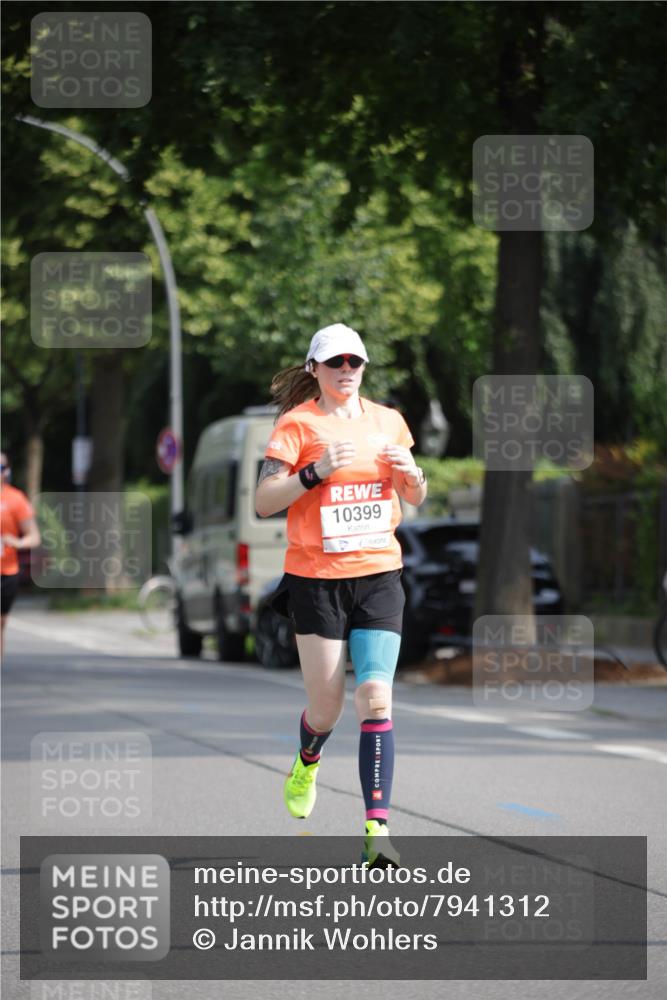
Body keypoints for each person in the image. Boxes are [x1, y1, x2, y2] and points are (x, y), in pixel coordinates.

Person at [255, 323, 427, 866]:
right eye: (335, 363)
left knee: (375, 697)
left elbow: (415, 497)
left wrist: (414, 475)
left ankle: (377, 833)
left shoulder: (389, 422)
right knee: (326, 709)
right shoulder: (296, 424)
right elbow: (263, 501)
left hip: (379, 574)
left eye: (355, 362)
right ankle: (308, 757)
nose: (346, 371)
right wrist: (313, 474)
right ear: (316, 370)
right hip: (315, 580)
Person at [0, 453, 41, 656]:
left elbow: (34, 537)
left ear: (6, 471)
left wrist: (17, 542)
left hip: (7, 571)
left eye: (0, 467)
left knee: (1, 623)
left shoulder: (16, 499)